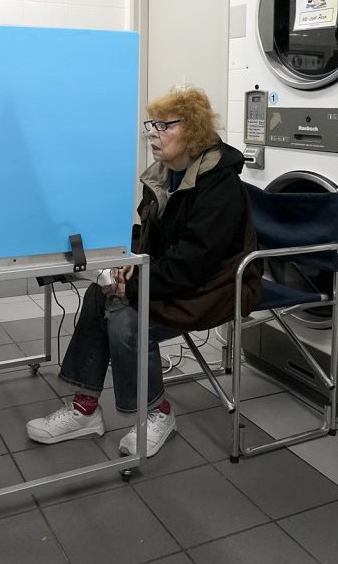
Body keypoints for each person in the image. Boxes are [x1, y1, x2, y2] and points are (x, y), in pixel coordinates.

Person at [25, 86, 261, 457]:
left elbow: (193, 263)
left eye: (165, 125)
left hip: (214, 287)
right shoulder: (163, 176)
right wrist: (125, 266)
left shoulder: (220, 188)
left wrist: (131, 288)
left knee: (127, 320)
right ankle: (85, 408)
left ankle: (159, 413)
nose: (152, 132)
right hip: (180, 279)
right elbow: (145, 236)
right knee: (97, 294)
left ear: (195, 131)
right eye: (152, 124)